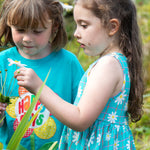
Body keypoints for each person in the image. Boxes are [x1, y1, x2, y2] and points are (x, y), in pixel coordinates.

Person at [14, 0, 144, 149]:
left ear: (112, 27)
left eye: (84, 25)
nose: (76, 33)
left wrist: (39, 88)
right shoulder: (114, 63)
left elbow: (80, 119)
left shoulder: (108, 65)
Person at [0, 0, 84, 149]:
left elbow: (83, 112)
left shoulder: (69, 63)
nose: (27, 38)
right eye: (19, 30)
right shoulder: (3, 62)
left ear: (54, 27)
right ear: (9, 24)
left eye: (37, 31)